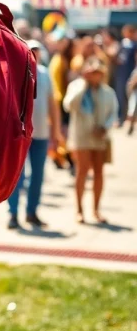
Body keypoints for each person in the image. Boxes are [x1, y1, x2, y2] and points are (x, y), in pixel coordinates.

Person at [7, 40, 63, 229]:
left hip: (41, 134)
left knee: (37, 176)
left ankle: (32, 212)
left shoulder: (45, 74)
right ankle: (13, 214)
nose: (34, 54)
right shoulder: (16, 71)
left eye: (37, 51)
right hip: (20, 135)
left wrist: (56, 132)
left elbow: (52, 105)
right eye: (31, 50)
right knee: (16, 176)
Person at [63, 57, 117, 224]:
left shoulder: (108, 92)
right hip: (81, 137)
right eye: (92, 72)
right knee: (82, 172)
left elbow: (113, 113)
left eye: (98, 73)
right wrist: (84, 85)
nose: (95, 76)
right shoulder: (76, 87)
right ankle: (79, 210)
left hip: (99, 138)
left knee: (99, 173)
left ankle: (96, 209)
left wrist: (105, 127)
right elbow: (68, 105)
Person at [113, 25, 135, 125]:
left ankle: (130, 118)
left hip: (131, 73)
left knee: (131, 96)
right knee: (120, 95)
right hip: (121, 73)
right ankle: (121, 117)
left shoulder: (135, 44)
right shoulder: (122, 43)